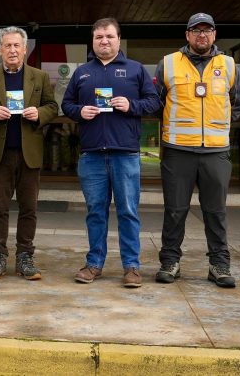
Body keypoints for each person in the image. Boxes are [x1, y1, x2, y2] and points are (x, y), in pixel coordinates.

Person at [61, 18, 160, 288]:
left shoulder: (135, 69)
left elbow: (153, 102)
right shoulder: (82, 72)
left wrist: (131, 105)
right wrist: (79, 111)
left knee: (128, 211)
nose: (104, 41)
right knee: (95, 212)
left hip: (125, 154)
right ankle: (94, 264)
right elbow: (66, 104)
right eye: (99, 37)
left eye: (109, 36)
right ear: (93, 42)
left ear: (118, 39)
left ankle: (131, 267)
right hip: (91, 155)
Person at [154, 13, 240, 288]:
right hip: (178, 150)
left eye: (207, 30)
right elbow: (157, 103)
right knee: (175, 210)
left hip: (215, 152)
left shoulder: (229, 65)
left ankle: (219, 265)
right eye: (196, 30)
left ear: (214, 35)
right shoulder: (168, 63)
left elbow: (237, 106)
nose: (201, 35)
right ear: (187, 35)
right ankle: (170, 262)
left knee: (216, 212)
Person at [0, 26, 58, 280]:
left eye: (16, 46)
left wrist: (39, 114)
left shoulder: (39, 76)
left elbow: (52, 106)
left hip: (29, 153)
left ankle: (25, 257)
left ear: (25, 49)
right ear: (0, 50)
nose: (12, 50)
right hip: (0, 154)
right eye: (7, 46)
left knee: (28, 208)